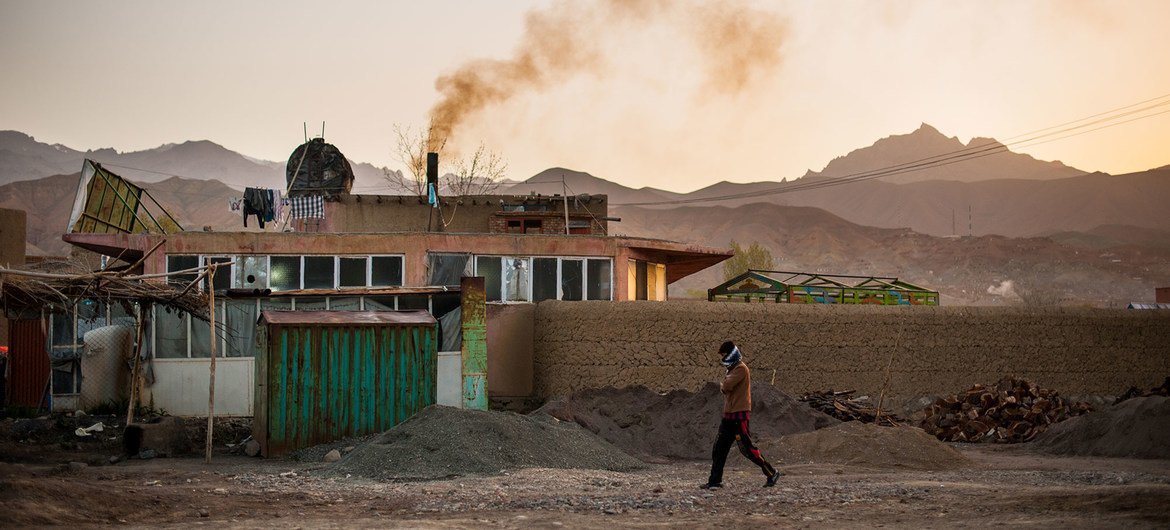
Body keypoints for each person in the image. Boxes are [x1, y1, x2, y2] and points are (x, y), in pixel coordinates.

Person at [701, 340, 780, 489]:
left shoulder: (741, 369)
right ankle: (714, 481)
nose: (722, 358)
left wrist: (723, 384)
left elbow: (726, 386)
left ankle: (771, 472)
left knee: (748, 449)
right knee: (719, 449)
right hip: (729, 416)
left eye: (724, 355)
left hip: (739, 417)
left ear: (730, 354)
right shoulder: (732, 369)